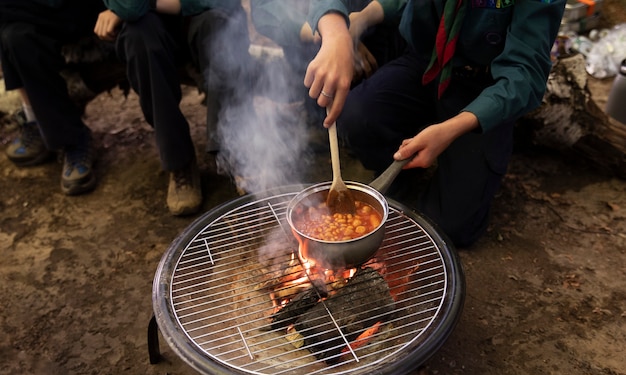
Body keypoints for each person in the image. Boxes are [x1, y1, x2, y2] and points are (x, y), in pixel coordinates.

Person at [304, 0, 566, 246]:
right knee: (358, 114)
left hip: (484, 84)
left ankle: (446, 159)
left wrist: (450, 129)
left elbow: (526, 73)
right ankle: (404, 170)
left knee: (451, 228)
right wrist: (353, 23)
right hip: (425, 61)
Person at [94, 0, 252, 216]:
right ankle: (179, 162)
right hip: (155, 26)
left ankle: (236, 148)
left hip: (208, 16)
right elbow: (129, 8)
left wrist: (142, 4)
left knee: (221, 24)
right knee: (139, 35)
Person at [0, 0, 106, 195]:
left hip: (88, 11)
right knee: (14, 36)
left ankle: (73, 140)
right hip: (42, 12)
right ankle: (51, 127)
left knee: (6, 15)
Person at [250, 0, 406, 127]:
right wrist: (330, 35)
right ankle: (321, 117)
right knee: (322, 105)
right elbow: (264, 7)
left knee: (369, 108)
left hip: (378, 27)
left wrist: (359, 21)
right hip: (315, 35)